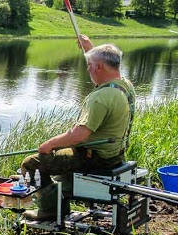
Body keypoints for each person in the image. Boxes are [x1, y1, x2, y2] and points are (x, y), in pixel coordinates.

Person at [21, 35, 136, 221]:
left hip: (94, 158)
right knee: (55, 164)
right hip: (115, 156)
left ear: (99, 67)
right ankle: (58, 194)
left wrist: (48, 145)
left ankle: (50, 209)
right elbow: (103, 65)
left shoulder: (101, 97)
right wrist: (90, 49)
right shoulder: (124, 86)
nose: (88, 69)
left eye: (90, 65)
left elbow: (78, 135)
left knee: (31, 163)